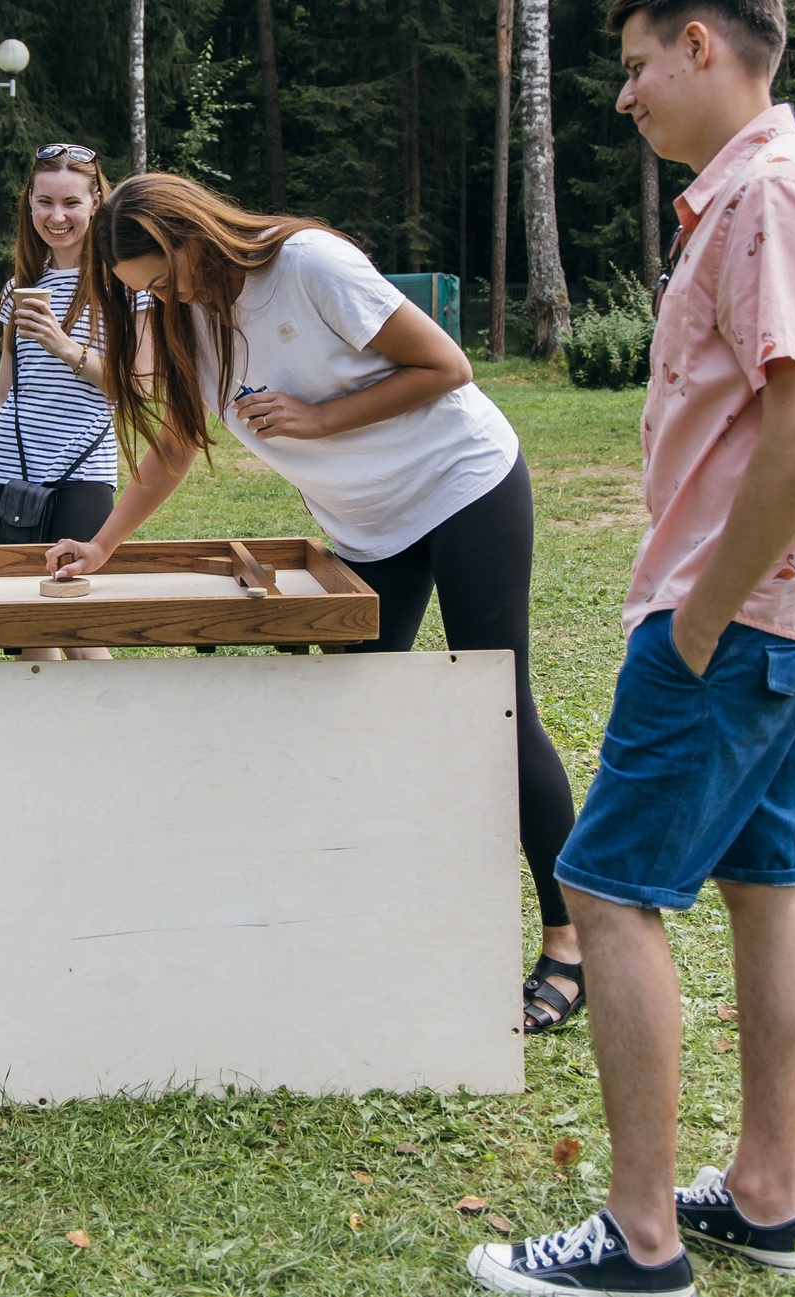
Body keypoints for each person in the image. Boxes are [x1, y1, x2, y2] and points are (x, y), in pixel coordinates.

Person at [464, 0, 795, 1297]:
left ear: (703, 45)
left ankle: (641, 1236)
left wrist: (704, 609)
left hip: (739, 607)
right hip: (791, 607)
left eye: (640, 64)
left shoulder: (769, 196)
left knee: (605, 888)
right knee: (766, 877)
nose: (626, 95)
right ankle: (764, 1199)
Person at [46, 171, 583, 1031]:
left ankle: (569, 942)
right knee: (343, 707)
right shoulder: (186, 321)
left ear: (194, 237)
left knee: (498, 710)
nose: (162, 299)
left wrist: (323, 420)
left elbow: (446, 364)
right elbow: (178, 443)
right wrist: (103, 544)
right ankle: (350, 911)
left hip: (463, 483)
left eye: (164, 277)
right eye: (143, 293)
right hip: (370, 526)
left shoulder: (309, 265)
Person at [0, 142, 139, 661]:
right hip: (11, 477)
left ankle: (106, 738)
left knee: (79, 630)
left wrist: (63, 345)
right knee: (26, 634)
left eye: (71, 203)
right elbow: (3, 394)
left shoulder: (126, 283)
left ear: (96, 201)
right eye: (44, 202)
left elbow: (136, 387)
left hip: (83, 475)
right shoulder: (19, 290)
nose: (57, 217)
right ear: (29, 205)